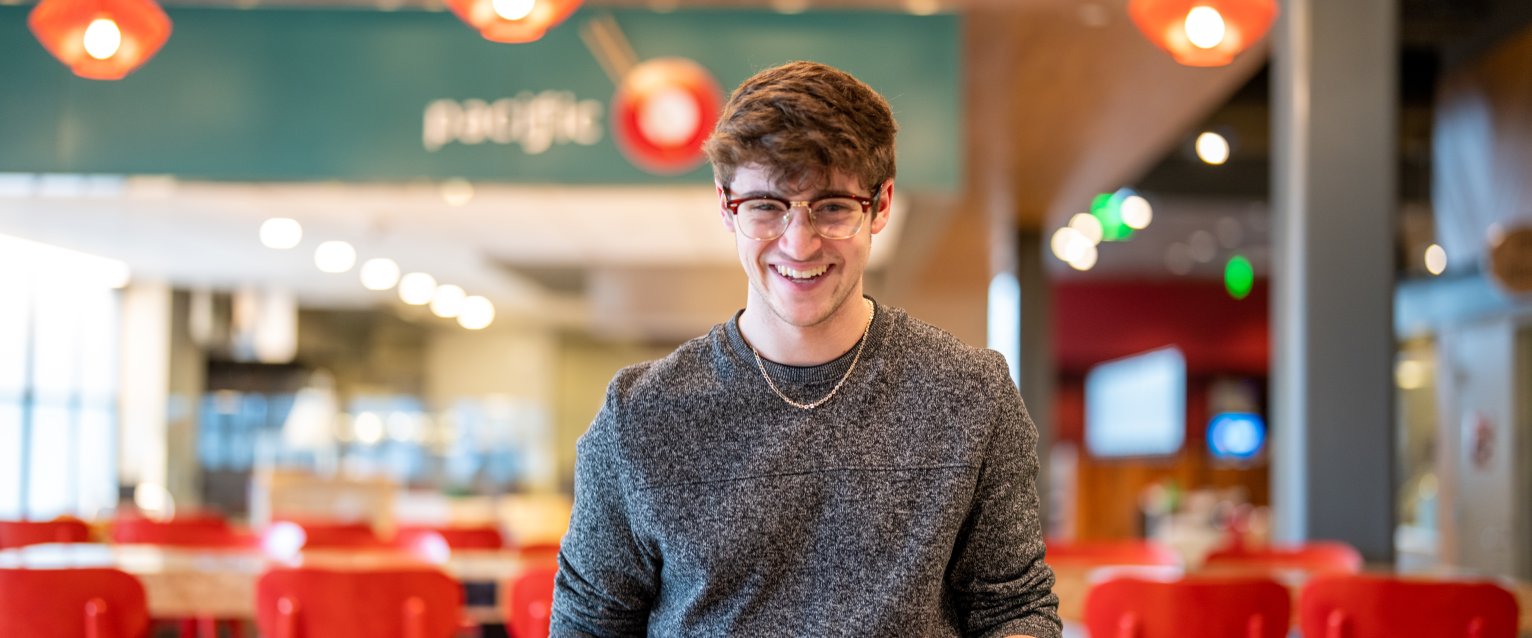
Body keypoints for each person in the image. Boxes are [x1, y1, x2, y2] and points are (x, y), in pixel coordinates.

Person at [552, 60, 1060, 638]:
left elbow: (1014, 608)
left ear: (881, 205)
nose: (798, 244)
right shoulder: (638, 415)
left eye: (833, 206)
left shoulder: (972, 395)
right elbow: (588, 626)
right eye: (766, 206)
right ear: (726, 205)